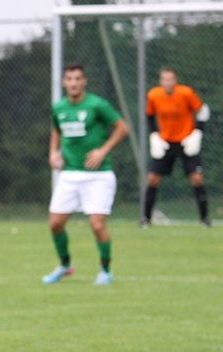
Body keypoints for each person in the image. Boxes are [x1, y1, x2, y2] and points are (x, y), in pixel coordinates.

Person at [44, 64, 129, 286]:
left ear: (84, 82)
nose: (73, 83)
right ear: (64, 82)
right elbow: (56, 130)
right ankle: (65, 265)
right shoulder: (59, 107)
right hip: (70, 174)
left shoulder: (97, 104)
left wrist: (103, 150)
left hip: (98, 175)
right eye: (69, 79)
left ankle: (105, 270)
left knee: (97, 224)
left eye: (77, 78)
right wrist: (54, 152)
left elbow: (122, 128)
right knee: (55, 224)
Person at [143, 67, 211, 227]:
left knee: (197, 178)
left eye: (170, 79)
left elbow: (203, 111)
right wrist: (154, 135)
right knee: (152, 178)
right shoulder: (154, 95)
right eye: (164, 79)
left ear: (175, 80)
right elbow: (149, 115)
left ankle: (205, 219)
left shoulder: (186, 93)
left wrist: (197, 133)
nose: (168, 83)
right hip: (165, 142)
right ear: (161, 81)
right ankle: (146, 219)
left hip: (186, 140)